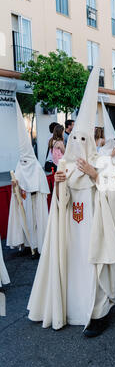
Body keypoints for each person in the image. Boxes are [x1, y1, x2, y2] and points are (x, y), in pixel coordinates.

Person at [27, 63, 115, 337]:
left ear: (91, 140)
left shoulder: (100, 161)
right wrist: (61, 185)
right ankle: (74, 308)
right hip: (73, 227)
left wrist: (96, 174)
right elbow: (60, 203)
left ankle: (99, 313)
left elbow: (113, 190)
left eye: (83, 137)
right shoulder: (65, 163)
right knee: (75, 265)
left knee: (95, 263)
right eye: (73, 136)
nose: (77, 140)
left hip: (95, 225)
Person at [7, 100, 50, 255]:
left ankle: (37, 245)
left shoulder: (36, 167)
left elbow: (42, 187)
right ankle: (27, 245)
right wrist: (16, 185)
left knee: (36, 224)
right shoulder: (21, 164)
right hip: (24, 200)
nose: (24, 163)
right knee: (25, 223)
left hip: (35, 201)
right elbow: (17, 182)